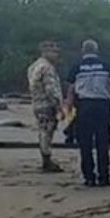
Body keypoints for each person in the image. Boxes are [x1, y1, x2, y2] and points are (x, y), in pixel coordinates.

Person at [64, 39, 110, 187]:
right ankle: (104, 177)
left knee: (85, 143)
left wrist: (68, 112)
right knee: (102, 142)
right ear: (96, 50)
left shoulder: (76, 67)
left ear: (83, 51)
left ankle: (89, 177)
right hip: (102, 107)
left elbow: (71, 92)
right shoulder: (106, 65)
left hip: (84, 106)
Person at [27, 41, 64, 173]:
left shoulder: (33, 66)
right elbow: (51, 89)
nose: (56, 55)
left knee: (43, 131)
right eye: (54, 52)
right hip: (46, 104)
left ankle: (46, 157)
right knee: (47, 132)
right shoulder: (47, 67)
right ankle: (46, 159)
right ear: (46, 52)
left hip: (37, 103)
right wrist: (58, 106)